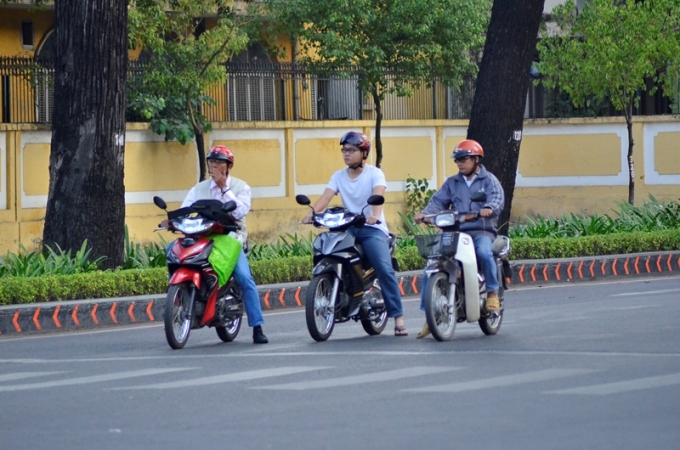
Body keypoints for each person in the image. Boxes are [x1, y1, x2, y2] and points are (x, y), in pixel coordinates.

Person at [302, 131, 408, 336]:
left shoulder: (375, 174)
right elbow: (325, 198)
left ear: (363, 153)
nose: (346, 154)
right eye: (344, 150)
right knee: (327, 250)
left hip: (371, 229)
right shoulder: (338, 176)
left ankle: (398, 317)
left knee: (384, 268)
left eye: (351, 150)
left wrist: (374, 216)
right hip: (348, 227)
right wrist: (312, 213)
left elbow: (378, 195)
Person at [413, 139, 504, 339]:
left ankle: (492, 294)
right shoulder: (452, 183)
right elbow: (437, 201)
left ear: (476, 159)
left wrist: (489, 209)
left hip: (481, 231)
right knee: (433, 264)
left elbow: (497, 199)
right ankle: (430, 314)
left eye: (464, 159)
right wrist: (425, 214)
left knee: (484, 252)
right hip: (456, 232)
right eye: (457, 160)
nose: (460, 163)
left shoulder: (489, 180)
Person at [179, 144, 268, 344]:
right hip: (203, 237)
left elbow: (239, 212)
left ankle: (257, 327)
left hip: (231, 239)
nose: (214, 165)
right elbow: (185, 209)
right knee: (175, 254)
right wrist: (173, 221)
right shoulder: (199, 188)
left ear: (228, 166)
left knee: (245, 278)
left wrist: (224, 189)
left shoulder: (241, 187)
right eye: (211, 161)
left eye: (219, 162)